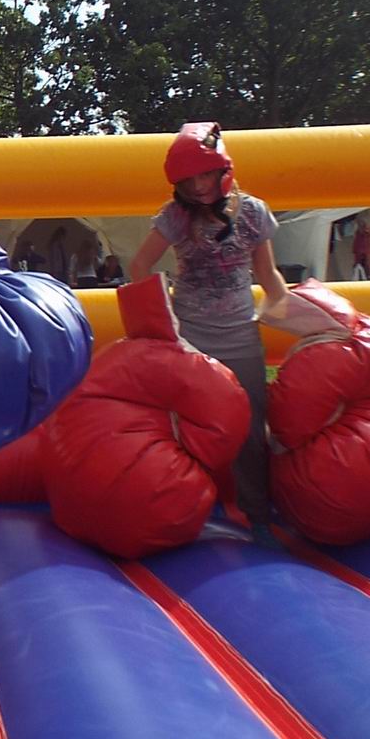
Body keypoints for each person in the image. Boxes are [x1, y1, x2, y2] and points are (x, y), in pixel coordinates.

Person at [128, 123, 289, 537]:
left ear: (223, 170)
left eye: (204, 175)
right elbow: (139, 265)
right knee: (186, 427)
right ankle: (183, 510)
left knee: (251, 429)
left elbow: (267, 273)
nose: (198, 187)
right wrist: (162, 320)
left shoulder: (253, 212)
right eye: (188, 180)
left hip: (240, 335)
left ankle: (258, 516)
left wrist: (296, 313)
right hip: (191, 337)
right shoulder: (176, 216)